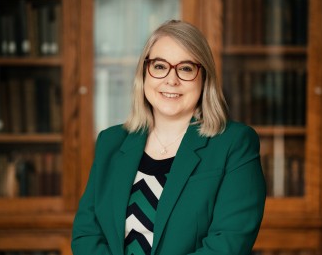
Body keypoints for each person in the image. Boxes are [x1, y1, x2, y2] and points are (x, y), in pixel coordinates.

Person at [71, 20, 266, 255]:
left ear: (204, 78)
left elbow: (227, 243)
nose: (171, 80)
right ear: (144, 73)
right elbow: (86, 235)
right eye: (160, 66)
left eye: (185, 68)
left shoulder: (234, 143)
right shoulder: (111, 142)